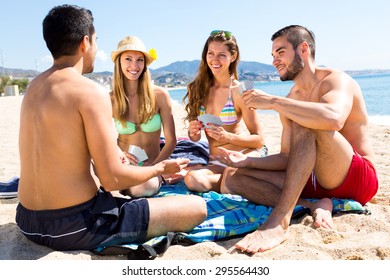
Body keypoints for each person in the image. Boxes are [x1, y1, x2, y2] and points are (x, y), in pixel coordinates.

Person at [15, 4, 207, 251]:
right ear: (85, 42)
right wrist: (159, 167)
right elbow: (112, 178)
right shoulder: (89, 91)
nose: (96, 49)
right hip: (74, 225)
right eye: (95, 41)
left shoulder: (33, 88)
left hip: (27, 220)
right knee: (196, 208)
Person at [216, 25, 378, 253]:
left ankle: (279, 223)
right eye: (272, 55)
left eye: (280, 52)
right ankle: (312, 205)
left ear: (303, 49)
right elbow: (286, 157)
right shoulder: (292, 97)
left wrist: (273, 102)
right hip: (314, 179)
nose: (275, 60)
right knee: (232, 178)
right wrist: (248, 162)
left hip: (356, 178)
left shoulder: (336, 81)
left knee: (307, 121)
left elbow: (333, 119)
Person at [182, 30, 266, 193]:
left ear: (233, 57)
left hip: (243, 156)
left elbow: (259, 140)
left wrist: (228, 137)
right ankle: (233, 182)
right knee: (192, 179)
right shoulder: (196, 89)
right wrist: (193, 132)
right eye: (211, 53)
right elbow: (196, 137)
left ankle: (234, 180)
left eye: (222, 54)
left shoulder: (240, 90)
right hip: (217, 162)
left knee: (229, 172)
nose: (215, 59)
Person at [110, 35, 176, 197]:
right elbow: (104, 142)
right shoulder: (110, 100)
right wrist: (119, 155)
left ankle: (123, 190)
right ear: (119, 62)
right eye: (128, 59)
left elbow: (171, 140)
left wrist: (155, 167)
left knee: (146, 185)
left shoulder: (160, 95)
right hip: (124, 166)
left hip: (152, 167)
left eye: (140, 59)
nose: (134, 65)